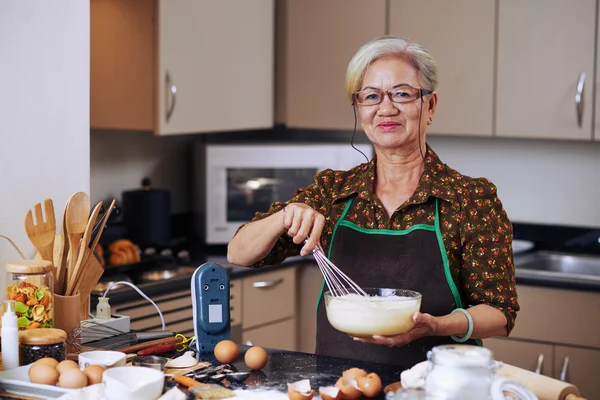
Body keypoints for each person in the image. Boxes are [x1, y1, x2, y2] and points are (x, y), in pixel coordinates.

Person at [227, 36, 519, 366]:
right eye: (371, 96)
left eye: (402, 94)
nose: (386, 108)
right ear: (360, 108)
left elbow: (500, 313)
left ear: (430, 105)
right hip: (340, 382)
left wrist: (434, 326)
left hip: (435, 382)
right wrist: (286, 216)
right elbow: (238, 254)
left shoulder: (469, 199)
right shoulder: (332, 192)